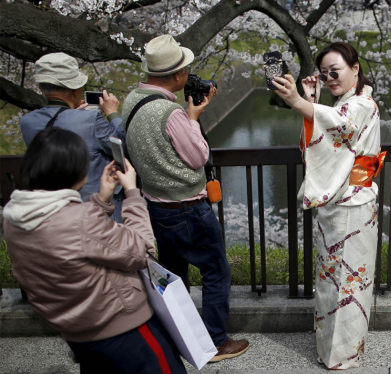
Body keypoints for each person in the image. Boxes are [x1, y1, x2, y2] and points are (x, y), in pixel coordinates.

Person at [3, 127, 186, 374]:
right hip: (125, 330)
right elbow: (143, 251)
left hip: (79, 335)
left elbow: (72, 243)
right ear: (74, 172)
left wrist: (101, 200)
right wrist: (132, 193)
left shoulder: (15, 218)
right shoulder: (80, 220)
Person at [122, 34, 249, 362]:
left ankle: (175, 337)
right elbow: (197, 157)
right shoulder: (172, 113)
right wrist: (192, 118)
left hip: (155, 206)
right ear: (178, 76)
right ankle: (216, 342)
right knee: (216, 271)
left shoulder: (132, 100)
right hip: (188, 209)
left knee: (173, 276)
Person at [272, 42, 385, 369]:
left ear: (355, 68)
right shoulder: (345, 102)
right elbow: (326, 134)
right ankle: (334, 349)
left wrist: (296, 102)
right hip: (338, 207)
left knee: (348, 286)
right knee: (332, 282)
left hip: (353, 207)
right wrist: (310, 103)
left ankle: (342, 356)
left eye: (336, 71)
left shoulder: (362, 104)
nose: (330, 77)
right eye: (325, 73)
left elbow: (341, 123)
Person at [20, 52, 125, 222]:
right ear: (76, 90)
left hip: (51, 210)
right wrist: (112, 114)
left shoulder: (27, 122)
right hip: (95, 208)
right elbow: (123, 146)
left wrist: (72, 115)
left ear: (41, 88)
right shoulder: (90, 119)